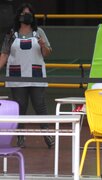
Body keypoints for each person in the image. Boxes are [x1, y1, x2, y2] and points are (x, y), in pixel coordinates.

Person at [0, 3, 54, 148]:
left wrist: (43, 45)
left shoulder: (39, 32)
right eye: (24, 14)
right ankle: (20, 136)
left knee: (40, 105)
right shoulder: (11, 34)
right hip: (17, 77)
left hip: (36, 76)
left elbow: (47, 53)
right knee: (20, 107)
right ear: (18, 16)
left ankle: (47, 134)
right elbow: (4, 54)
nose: (26, 16)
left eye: (29, 14)